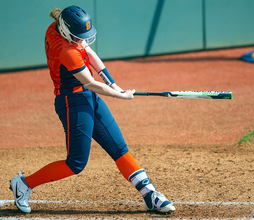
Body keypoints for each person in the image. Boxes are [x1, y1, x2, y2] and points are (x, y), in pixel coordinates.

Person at [9, 5, 175, 214]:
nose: (82, 40)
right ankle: (24, 184)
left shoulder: (59, 28)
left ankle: (150, 194)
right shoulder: (66, 51)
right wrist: (121, 95)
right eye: (79, 37)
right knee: (76, 163)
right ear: (67, 30)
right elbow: (91, 83)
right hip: (72, 103)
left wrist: (113, 84)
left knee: (119, 148)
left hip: (87, 98)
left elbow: (89, 52)